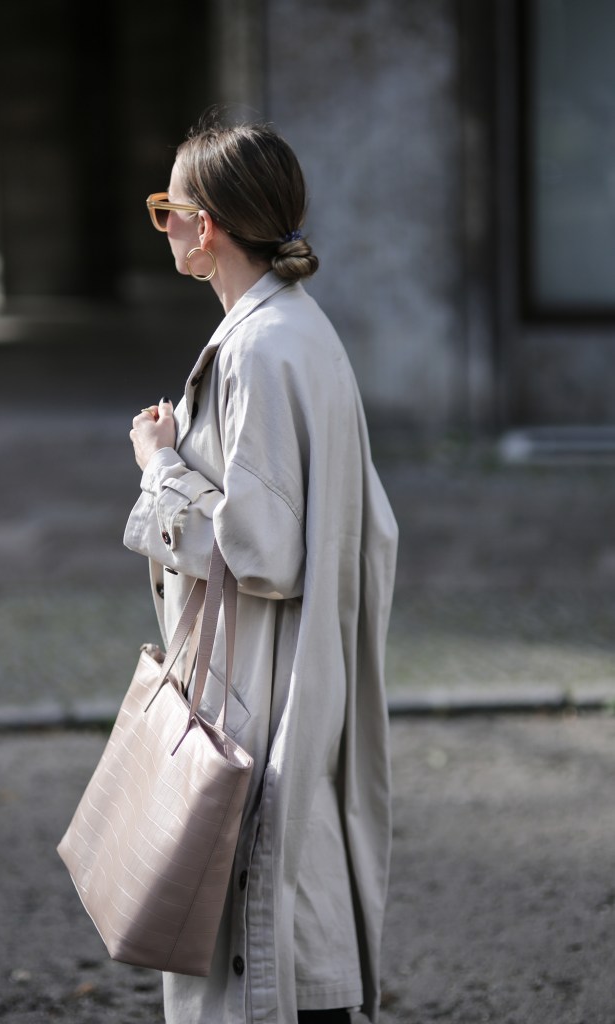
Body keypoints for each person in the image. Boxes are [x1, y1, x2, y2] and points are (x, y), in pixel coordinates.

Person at [124, 116, 398, 1024]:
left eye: (166, 207)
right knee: (289, 897)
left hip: (261, 685)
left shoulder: (260, 346)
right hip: (287, 675)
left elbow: (265, 552)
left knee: (258, 925)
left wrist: (160, 468)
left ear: (205, 226)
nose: (162, 224)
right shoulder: (292, 328)